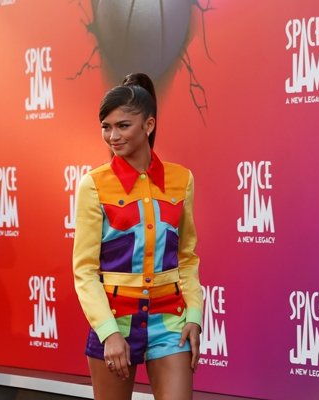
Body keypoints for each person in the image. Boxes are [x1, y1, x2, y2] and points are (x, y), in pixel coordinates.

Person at [73, 72, 203, 400]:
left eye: (123, 126)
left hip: (170, 322)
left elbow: (187, 258)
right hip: (115, 321)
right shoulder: (94, 185)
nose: (113, 136)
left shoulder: (181, 180)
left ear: (148, 125)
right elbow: (85, 271)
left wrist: (194, 316)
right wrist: (108, 333)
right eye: (106, 127)